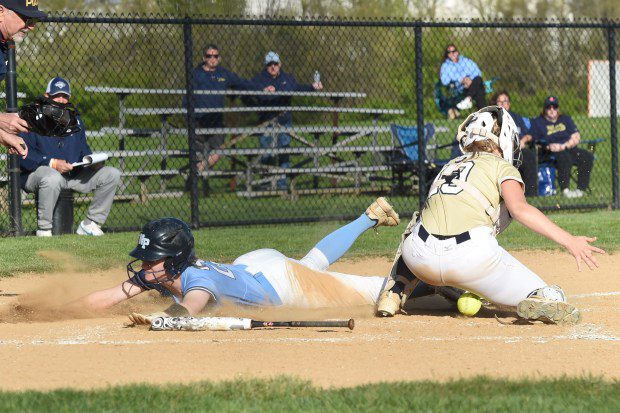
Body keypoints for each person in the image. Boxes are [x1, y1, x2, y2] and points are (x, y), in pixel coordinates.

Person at [376, 106, 605, 324]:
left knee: (420, 221)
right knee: (551, 297)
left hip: (418, 258)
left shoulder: (450, 164)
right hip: (470, 257)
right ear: (503, 138)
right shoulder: (502, 166)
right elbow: (520, 210)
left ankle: (395, 291)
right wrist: (570, 241)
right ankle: (531, 295)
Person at [68, 198, 403, 322]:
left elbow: (192, 305)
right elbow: (110, 296)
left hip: (282, 284)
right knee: (310, 263)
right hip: (256, 265)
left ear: (172, 262)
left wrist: (164, 317)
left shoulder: (198, 281)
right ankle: (369, 217)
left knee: (382, 291)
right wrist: (61, 308)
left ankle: (433, 275)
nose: (143, 266)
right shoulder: (166, 271)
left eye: (151, 260)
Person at [19, 77, 121, 237]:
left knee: (111, 174)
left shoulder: (76, 121)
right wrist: (51, 163)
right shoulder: (33, 118)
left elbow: (83, 151)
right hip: (36, 175)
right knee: (52, 177)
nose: (60, 100)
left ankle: (90, 224)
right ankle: (44, 230)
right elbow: (23, 156)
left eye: (64, 96)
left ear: (69, 98)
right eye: (56, 96)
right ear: (46, 96)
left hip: (72, 175)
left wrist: (92, 162)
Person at [183, 44, 266, 171]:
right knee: (198, 156)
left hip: (216, 122)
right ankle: (197, 179)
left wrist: (262, 88)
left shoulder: (224, 74)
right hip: (198, 121)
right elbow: (186, 98)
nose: (212, 58)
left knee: (218, 151)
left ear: (219, 58)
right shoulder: (195, 74)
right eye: (209, 56)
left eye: (215, 56)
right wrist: (187, 117)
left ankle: (197, 172)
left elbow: (242, 83)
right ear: (204, 58)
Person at [250, 51, 323, 189]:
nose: (273, 67)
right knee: (267, 153)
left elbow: (297, 88)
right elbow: (250, 88)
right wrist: (262, 90)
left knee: (284, 151)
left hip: (284, 122)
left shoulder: (287, 78)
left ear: (280, 64)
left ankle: (282, 183)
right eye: (270, 64)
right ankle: (266, 183)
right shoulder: (259, 79)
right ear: (265, 66)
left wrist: (312, 87)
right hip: (267, 122)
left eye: (275, 64)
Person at [0, 1, 46, 157]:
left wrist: (4, 137)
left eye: (33, 21)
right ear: (1, 11)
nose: (31, 27)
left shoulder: (3, 45)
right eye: (26, 19)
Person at [528, 96, 594, 198]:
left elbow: (576, 136)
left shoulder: (565, 119)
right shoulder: (537, 122)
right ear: (544, 109)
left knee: (587, 156)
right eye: (548, 107)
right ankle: (565, 190)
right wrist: (548, 146)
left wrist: (564, 145)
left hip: (568, 147)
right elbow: (533, 139)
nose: (552, 110)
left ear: (558, 108)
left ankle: (580, 190)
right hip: (550, 152)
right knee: (564, 157)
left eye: (554, 107)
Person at [491, 90, 538, 197]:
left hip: (517, 151)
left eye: (505, 101)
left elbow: (529, 133)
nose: (503, 104)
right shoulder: (493, 118)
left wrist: (524, 139)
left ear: (509, 103)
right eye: (500, 101)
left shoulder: (516, 118)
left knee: (529, 156)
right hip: (500, 151)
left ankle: (531, 194)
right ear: (495, 103)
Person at [439, 43, 486, 112]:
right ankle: (483, 112)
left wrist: (469, 79)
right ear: (447, 54)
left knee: (478, 79)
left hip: (471, 83)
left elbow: (477, 72)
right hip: (459, 88)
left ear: (457, 52)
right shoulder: (445, 66)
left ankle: (468, 99)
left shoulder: (465, 60)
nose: (452, 53)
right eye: (449, 52)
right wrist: (460, 80)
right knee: (479, 88)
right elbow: (444, 80)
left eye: (453, 51)